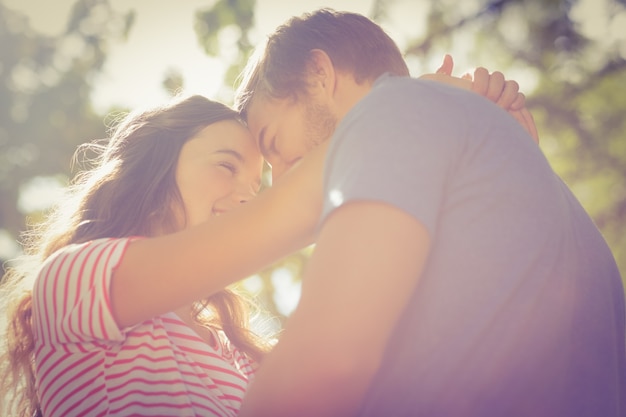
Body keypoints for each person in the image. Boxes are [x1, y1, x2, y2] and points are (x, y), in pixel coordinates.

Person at [0, 68, 526, 417]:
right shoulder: (72, 280)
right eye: (227, 167)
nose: (246, 197)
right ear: (155, 169)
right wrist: (419, 102)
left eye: (256, 187)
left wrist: (502, 158)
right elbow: (289, 211)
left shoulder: (239, 354)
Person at [234, 8, 626, 417]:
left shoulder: (391, 113)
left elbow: (324, 365)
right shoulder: (503, 175)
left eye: (273, 143)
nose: (278, 181)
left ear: (319, 73)